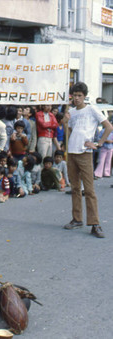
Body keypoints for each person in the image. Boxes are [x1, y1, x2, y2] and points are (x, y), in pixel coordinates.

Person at [63, 82, 113, 238]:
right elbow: (69, 129)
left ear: (84, 96)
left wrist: (99, 143)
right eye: (74, 95)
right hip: (71, 152)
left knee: (89, 190)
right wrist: (65, 122)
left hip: (85, 153)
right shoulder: (71, 112)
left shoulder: (92, 109)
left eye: (79, 96)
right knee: (75, 188)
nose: (77, 98)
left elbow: (108, 126)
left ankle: (95, 223)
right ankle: (77, 219)